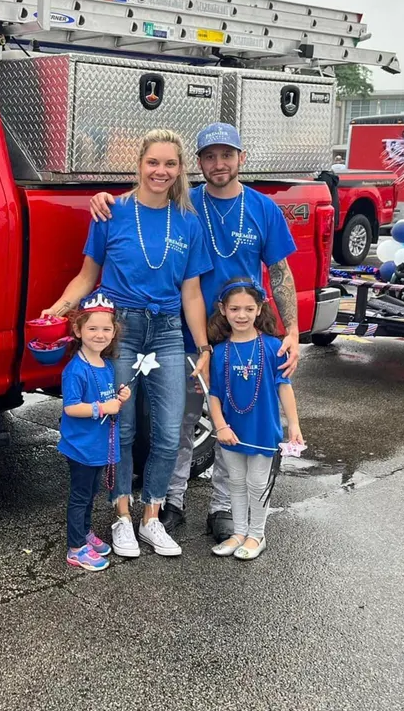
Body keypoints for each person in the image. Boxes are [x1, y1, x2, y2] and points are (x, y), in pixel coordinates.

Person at [88, 122, 300, 543]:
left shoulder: (263, 209)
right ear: (197, 164)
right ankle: (173, 502)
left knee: (238, 417)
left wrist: (292, 331)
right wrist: (103, 196)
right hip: (186, 330)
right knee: (181, 422)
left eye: (227, 155)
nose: (218, 163)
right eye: (209, 156)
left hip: (243, 333)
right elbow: (141, 201)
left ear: (242, 159)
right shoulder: (185, 203)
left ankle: (223, 508)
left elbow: (280, 272)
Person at [44, 128, 213, 558]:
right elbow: (87, 275)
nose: (161, 171)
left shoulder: (188, 221)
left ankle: (151, 517)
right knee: (121, 426)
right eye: (153, 162)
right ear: (139, 164)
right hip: (121, 329)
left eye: (170, 164)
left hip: (169, 331)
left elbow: (191, 292)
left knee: (171, 428)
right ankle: (121, 517)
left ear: (180, 170)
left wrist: (204, 348)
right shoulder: (111, 213)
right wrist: (60, 308)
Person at [205, 278, 304, 560]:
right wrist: (220, 426)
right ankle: (238, 532)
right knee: (235, 480)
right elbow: (214, 394)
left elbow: (284, 387)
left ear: (259, 309)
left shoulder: (274, 347)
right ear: (223, 310)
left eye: (248, 309)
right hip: (231, 430)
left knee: (258, 484)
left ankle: (256, 535)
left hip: (262, 428)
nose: (241, 315)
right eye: (235, 309)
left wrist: (293, 425)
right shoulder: (220, 351)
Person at [59, 293, 132, 572]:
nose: (99, 334)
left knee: (90, 494)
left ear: (114, 332)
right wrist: (103, 407)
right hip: (81, 447)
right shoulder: (75, 370)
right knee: (80, 496)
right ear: (78, 330)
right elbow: (71, 408)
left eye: (106, 329)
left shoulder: (108, 365)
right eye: (92, 328)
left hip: (99, 446)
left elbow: (109, 400)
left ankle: (85, 533)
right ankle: (76, 548)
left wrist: (120, 397)